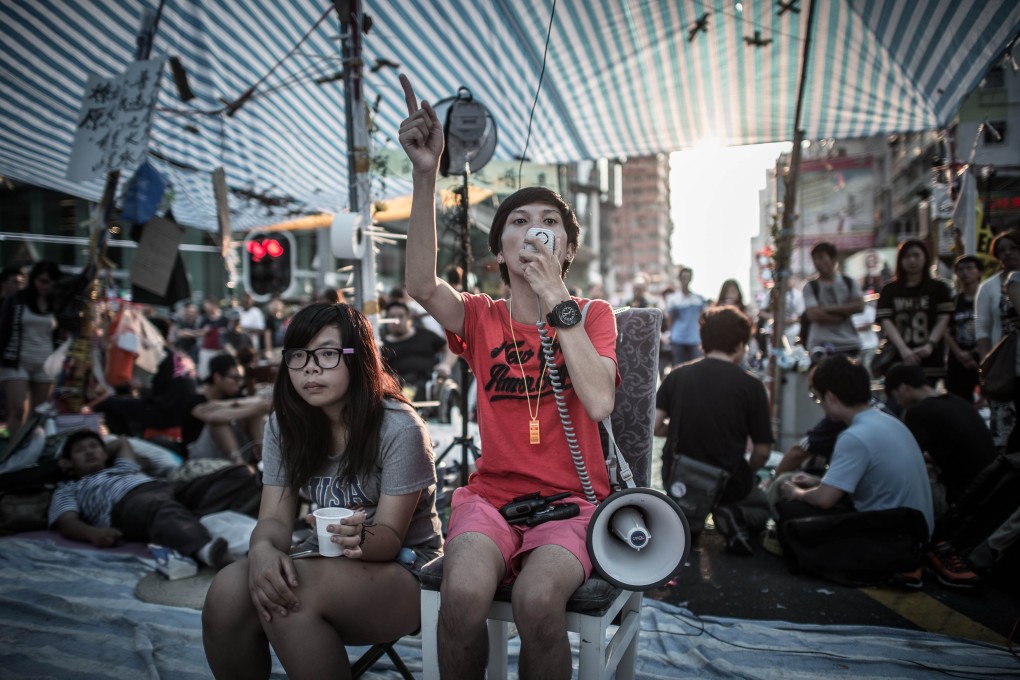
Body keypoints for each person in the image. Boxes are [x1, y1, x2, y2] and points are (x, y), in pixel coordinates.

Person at [399, 74, 618, 680]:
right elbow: (420, 285)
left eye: (549, 221)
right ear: (500, 251)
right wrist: (426, 173)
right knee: (462, 597)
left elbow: (598, 402)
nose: (534, 228)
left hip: (573, 506)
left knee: (537, 600)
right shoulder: (480, 317)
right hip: (491, 500)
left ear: (566, 250)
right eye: (519, 221)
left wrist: (557, 299)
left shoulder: (592, 316)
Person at [202, 302, 442, 679]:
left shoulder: (399, 428)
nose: (310, 367)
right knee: (228, 591)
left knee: (289, 595)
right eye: (298, 356)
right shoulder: (285, 427)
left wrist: (360, 536)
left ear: (358, 358)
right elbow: (273, 519)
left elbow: (392, 538)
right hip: (330, 562)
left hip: (409, 571)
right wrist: (263, 550)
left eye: (328, 354)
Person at [776, 356, 935, 586]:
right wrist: (817, 480)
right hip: (918, 532)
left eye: (818, 397)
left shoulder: (854, 436)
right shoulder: (888, 421)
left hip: (892, 536)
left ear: (830, 397)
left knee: (790, 510)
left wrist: (795, 492)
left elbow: (824, 500)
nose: (819, 403)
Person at [654, 305, 773, 554]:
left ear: (703, 340)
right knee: (766, 507)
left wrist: (678, 425)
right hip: (728, 482)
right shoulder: (753, 386)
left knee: (687, 519)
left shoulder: (678, 375)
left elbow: (653, 426)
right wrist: (747, 472)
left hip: (678, 476)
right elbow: (762, 451)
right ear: (740, 345)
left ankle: (688, 522)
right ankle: (729, 512)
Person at [48, 429, 253, 568]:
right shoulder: (69, 488)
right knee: (158, 507)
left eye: (93, 446)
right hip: (128, 504)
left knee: (239, 474)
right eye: (80, 450)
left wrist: (100, 453)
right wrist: (93, 533)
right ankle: (208, 551)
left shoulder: (121, 467)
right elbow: (67, 522)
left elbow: (121, 442)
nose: (89, 452)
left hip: (166, 488)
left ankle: (182, 524)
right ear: (68, 462)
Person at [883, 363, 996, 508]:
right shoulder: (956, 400)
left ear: (904, 387)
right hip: (992, 482)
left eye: (895, 396)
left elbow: (907, 460)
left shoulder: (918, 413)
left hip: (967, 493)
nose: (897, 402)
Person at [874, 238, 953, 384]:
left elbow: (944, 319)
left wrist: (930, 345)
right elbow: (886, 321)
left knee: (927, 403)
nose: (911, 260)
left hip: (929, 358)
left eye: (916, 255)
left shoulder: (938, 288)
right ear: (900, 260)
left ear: (925, 258)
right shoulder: (889, 290)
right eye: (906, 256)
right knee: (896, 402)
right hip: (897, 357)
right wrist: (903, 349)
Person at [0, 260, 62, 439]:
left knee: (38, 414)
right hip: (16, 359)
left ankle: (29, 450)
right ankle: (14, 451)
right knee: (18, 409)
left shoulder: (56, 304)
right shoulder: (17, 300)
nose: (46, 286)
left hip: (45, 362)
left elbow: (61, 332)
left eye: (50, 282)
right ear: (34, 279)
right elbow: (4, 329)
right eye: (42, 281)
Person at [975, 230, 1020, 449]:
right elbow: (982, 330)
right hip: (1003, 366)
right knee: (1005, 431)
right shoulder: (988, 287)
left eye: (1013, 248)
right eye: (1002, 251)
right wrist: (986, 365)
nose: (1008, 254)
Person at [184, 353, 271, 463]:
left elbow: (260, 402)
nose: (239, 384)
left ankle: (267, 460)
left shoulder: (232, 395)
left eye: (241, 379)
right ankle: (241, 467)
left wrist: (226, 404)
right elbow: (213, 417)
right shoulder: (195, 398)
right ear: (217, 377)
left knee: (253, 415)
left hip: (226, 452)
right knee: (220, 421)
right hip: (201, 456)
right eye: (235, 378)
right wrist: (254, 409)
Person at [380, 299, 455, 401]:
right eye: (392, 317)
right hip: (398, 388)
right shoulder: (382, 345)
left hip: (428, 385)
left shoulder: (424, 335)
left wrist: (446, 364)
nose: (396, 321)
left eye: (400, 316)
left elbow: (451, 347)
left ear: (409, 318)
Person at [801, 241, 863, 359]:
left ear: (833, 259)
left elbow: (859, 306)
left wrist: (827, 308)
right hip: (820, 344)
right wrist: (842, 314)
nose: (817, 263)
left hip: (849, 343)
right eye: (814, 259)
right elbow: (813, 314)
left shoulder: (849, 282)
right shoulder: (810, 287)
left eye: (821, 258)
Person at [944, 255, 983, 402]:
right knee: (958, 403)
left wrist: (975, 352)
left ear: (979, 271)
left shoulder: (986, 297)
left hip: (984, 356)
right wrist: (959, 353)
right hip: (958, 359)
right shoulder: (953, 301)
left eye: (969, 268)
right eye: (960, 269)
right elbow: (945, 329)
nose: (965, 272)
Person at [665, 267, 706, 366]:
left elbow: (703, 319)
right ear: (679, 279)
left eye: (687, 277)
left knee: (695, 368)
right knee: (678, 368)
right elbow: (669, 319)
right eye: (683, 277)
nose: (685, 280)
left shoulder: (698, 299)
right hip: (678, 339)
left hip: (694, 339)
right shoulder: (673, 299)